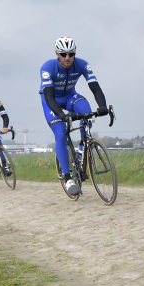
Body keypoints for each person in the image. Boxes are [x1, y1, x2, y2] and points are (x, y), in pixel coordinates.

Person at [39, 36, 111, 197]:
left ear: (75, 53)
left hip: (70, 96)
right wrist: (61, 114)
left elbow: (95, 88)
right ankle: (67, 178)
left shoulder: (82, 64)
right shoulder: (48, 68)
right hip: (51, 100)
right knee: (60, 133)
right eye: (63, 54)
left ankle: (81, 150)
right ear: (57, 53)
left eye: (71, 54)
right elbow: (49, 97)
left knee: (87, 113)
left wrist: (102, 106)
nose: (67, 58)